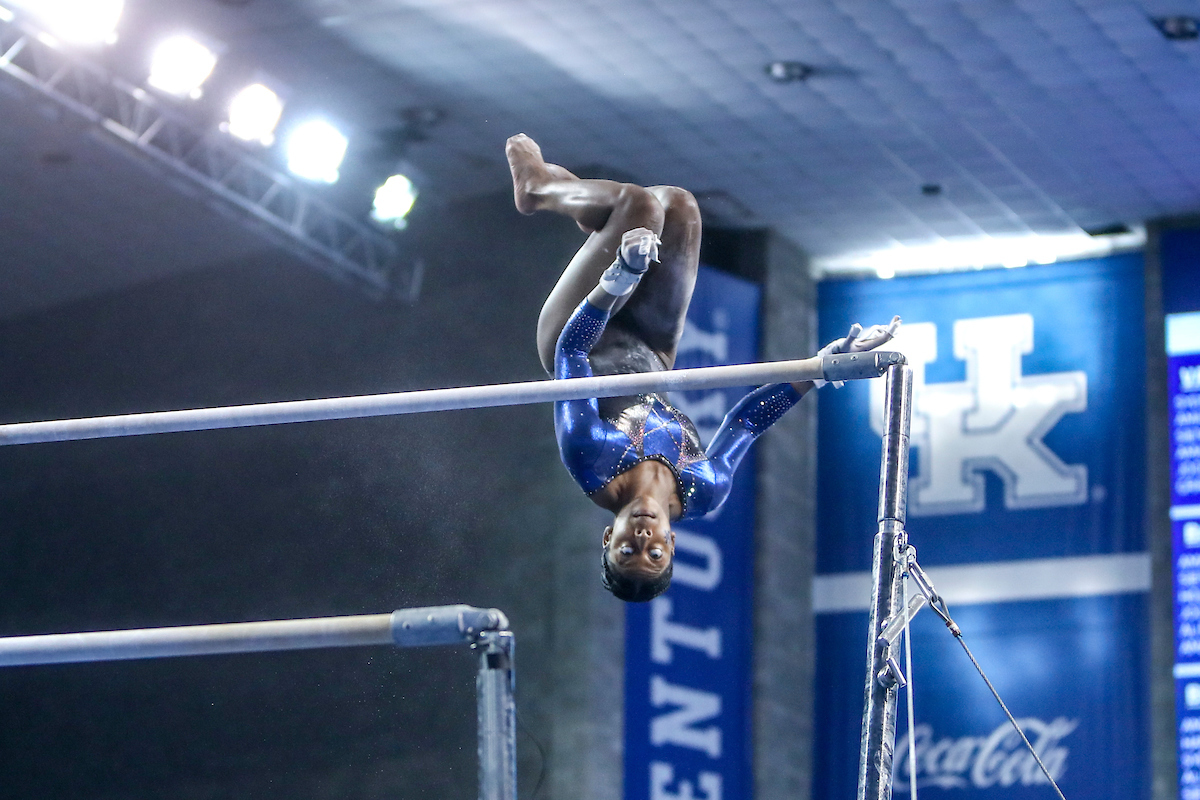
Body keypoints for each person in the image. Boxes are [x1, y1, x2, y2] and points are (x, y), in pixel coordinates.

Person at [506, 133, 898, 602]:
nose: (643, 539)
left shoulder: (591, 457)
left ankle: (538, 189)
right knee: (678, 207)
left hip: (580, 328)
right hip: (653, 351)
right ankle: (590, 214)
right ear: (672, 544)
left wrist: (620, 277)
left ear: (607, 538)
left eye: (627, 550)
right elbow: (747, 423)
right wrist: (821, 367)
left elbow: (572, 352)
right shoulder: (704, 488)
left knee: (639, 207)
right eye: (654, 553)